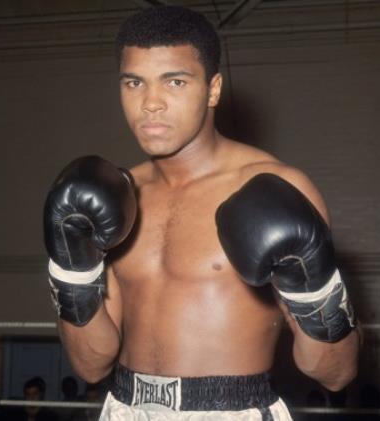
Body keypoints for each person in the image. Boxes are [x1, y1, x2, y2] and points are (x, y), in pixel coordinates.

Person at [43, 5, 360, 420]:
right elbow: (91, 364)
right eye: (134, 82)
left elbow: (335, 372)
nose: (151, 103)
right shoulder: (118, 194)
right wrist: (73, 273)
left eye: (174, 81)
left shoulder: (276, 187)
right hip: (123, 407)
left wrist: (313, 289)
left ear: (212, 89)